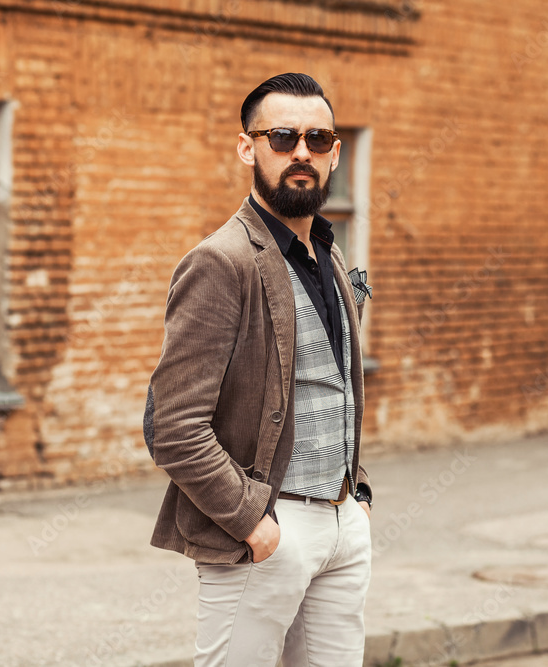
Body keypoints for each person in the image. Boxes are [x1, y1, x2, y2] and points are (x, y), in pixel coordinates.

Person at [143, 72, 374, 667]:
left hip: (342, 524)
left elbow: (336, 382)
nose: (302, 152)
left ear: (335, 153)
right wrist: (253, 521)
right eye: (282, 137)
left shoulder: (328, 253)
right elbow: (172, 425)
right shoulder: (221, 262)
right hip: (270, 530)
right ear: (248, 147)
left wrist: (358, 495)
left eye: (317, 140)